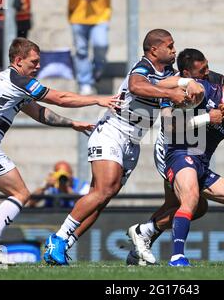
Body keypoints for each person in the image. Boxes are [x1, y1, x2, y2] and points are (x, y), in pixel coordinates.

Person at [0, 37, 120, 266]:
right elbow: (60, 98)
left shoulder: (9, 81)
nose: (38, 66)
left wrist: (72, 124)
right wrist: (96, 99)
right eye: (34, 62)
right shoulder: (19, 80)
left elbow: (39, 113)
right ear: (18, 60)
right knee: (20, 194)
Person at [43, 29, 204, 265]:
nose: (173, 49)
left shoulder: (167, 73)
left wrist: (188, 95)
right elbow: (137, 86)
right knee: (103, 190)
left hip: (133, 142)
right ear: (153, 50)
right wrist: (173, 91)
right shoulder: (144, 68)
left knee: (102, 197)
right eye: (169, 46)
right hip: (112, 131)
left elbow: (173, 99)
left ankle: (64, 245)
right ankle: (57, 239)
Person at [130, 63, 224, 267]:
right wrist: (202, 109)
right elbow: (168, 113)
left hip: (200, 165)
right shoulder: (205, 90)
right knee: (191, 198)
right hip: (179, 154)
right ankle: (177, 257)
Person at [126, 48, 224, 266]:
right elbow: (169, 125)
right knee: (194, 205)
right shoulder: (173, 87)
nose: (207, 73)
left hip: (189, 152)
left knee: (177, 206)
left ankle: (139, 245)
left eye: (207, 67)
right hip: (170, 151)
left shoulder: (210, 79)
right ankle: (144, 233)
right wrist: (185, 86)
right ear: (185, 72)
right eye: (202, 70)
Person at [68, 0, 118, 95]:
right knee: (81, 50)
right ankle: (85, 82)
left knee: (101, 44)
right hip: (77, 13)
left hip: (101, 14)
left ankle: (98, 67)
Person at [0, 0, 38, 72]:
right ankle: (4, 81)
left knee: (22, 54)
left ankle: (17, 82)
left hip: (23, 12)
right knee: (3, 53)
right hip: (0, 11)